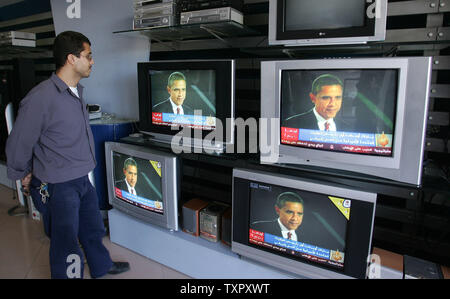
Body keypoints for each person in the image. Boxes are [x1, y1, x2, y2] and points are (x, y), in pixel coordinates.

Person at [5, 31, 129, 279]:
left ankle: (101, 266)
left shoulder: (75, 92)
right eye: (88, 56)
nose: (92, 61)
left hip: (81, 178)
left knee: (92, 229)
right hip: (57, 184)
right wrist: (24, 175)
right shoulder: (40, 98)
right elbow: (19, 143)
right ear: (72, 58)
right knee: (66, 241)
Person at [284, 74, 349, 132]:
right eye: (326, 98)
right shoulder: (291, 124)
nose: (332, 104)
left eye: (337, 97)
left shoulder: (346, 128)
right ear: (313, 98)